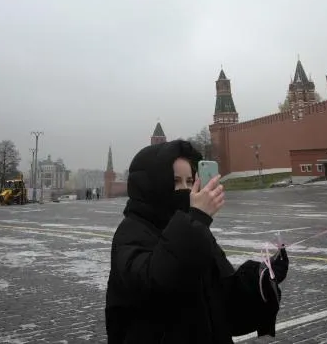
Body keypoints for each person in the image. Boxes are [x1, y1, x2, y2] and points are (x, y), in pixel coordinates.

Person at [106, 140, 288, 343]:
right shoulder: (132, 233)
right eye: (176, 181)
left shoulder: (196, 229)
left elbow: (226, 305)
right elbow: (155, 285)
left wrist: (259, 280)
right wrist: (196, 220)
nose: (185, 189)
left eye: (190, 181)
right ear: (151, 185)